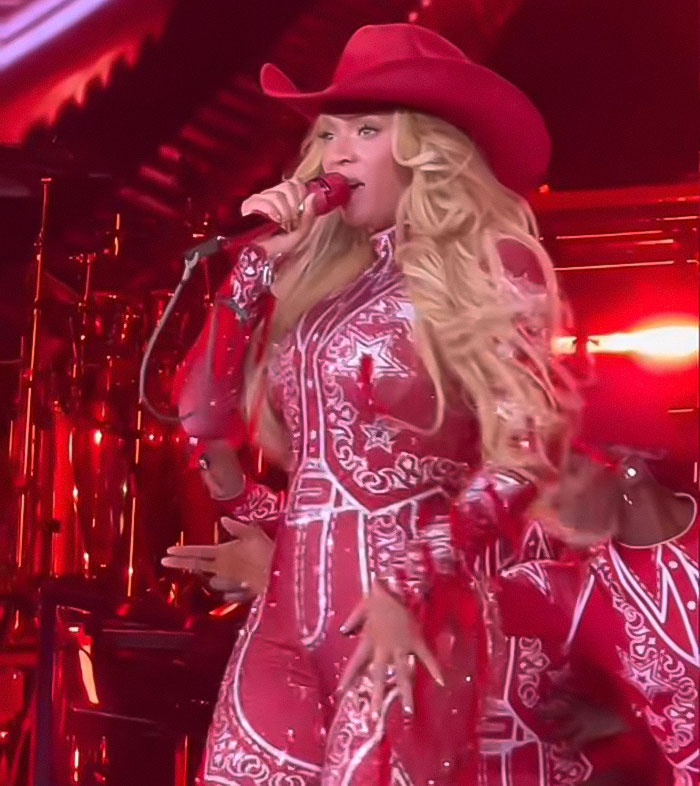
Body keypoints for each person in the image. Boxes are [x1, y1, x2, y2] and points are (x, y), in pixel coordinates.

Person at [162, 22, 579, 785]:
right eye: (326, 133)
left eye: (365, 128)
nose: (337, 152)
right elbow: (198, 416)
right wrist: (251, 273)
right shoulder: (321, 293)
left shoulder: (491, 265)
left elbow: (524, 456)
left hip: (407, 621)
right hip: (283, 628)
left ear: (428, 148)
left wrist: (409, 583)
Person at [487, 448, 697, 786]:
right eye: (540, 482)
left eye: (567, 472)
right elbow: (460, 601)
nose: (548, 498)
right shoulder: (574, 594)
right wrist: (395, 592)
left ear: (630, 466)